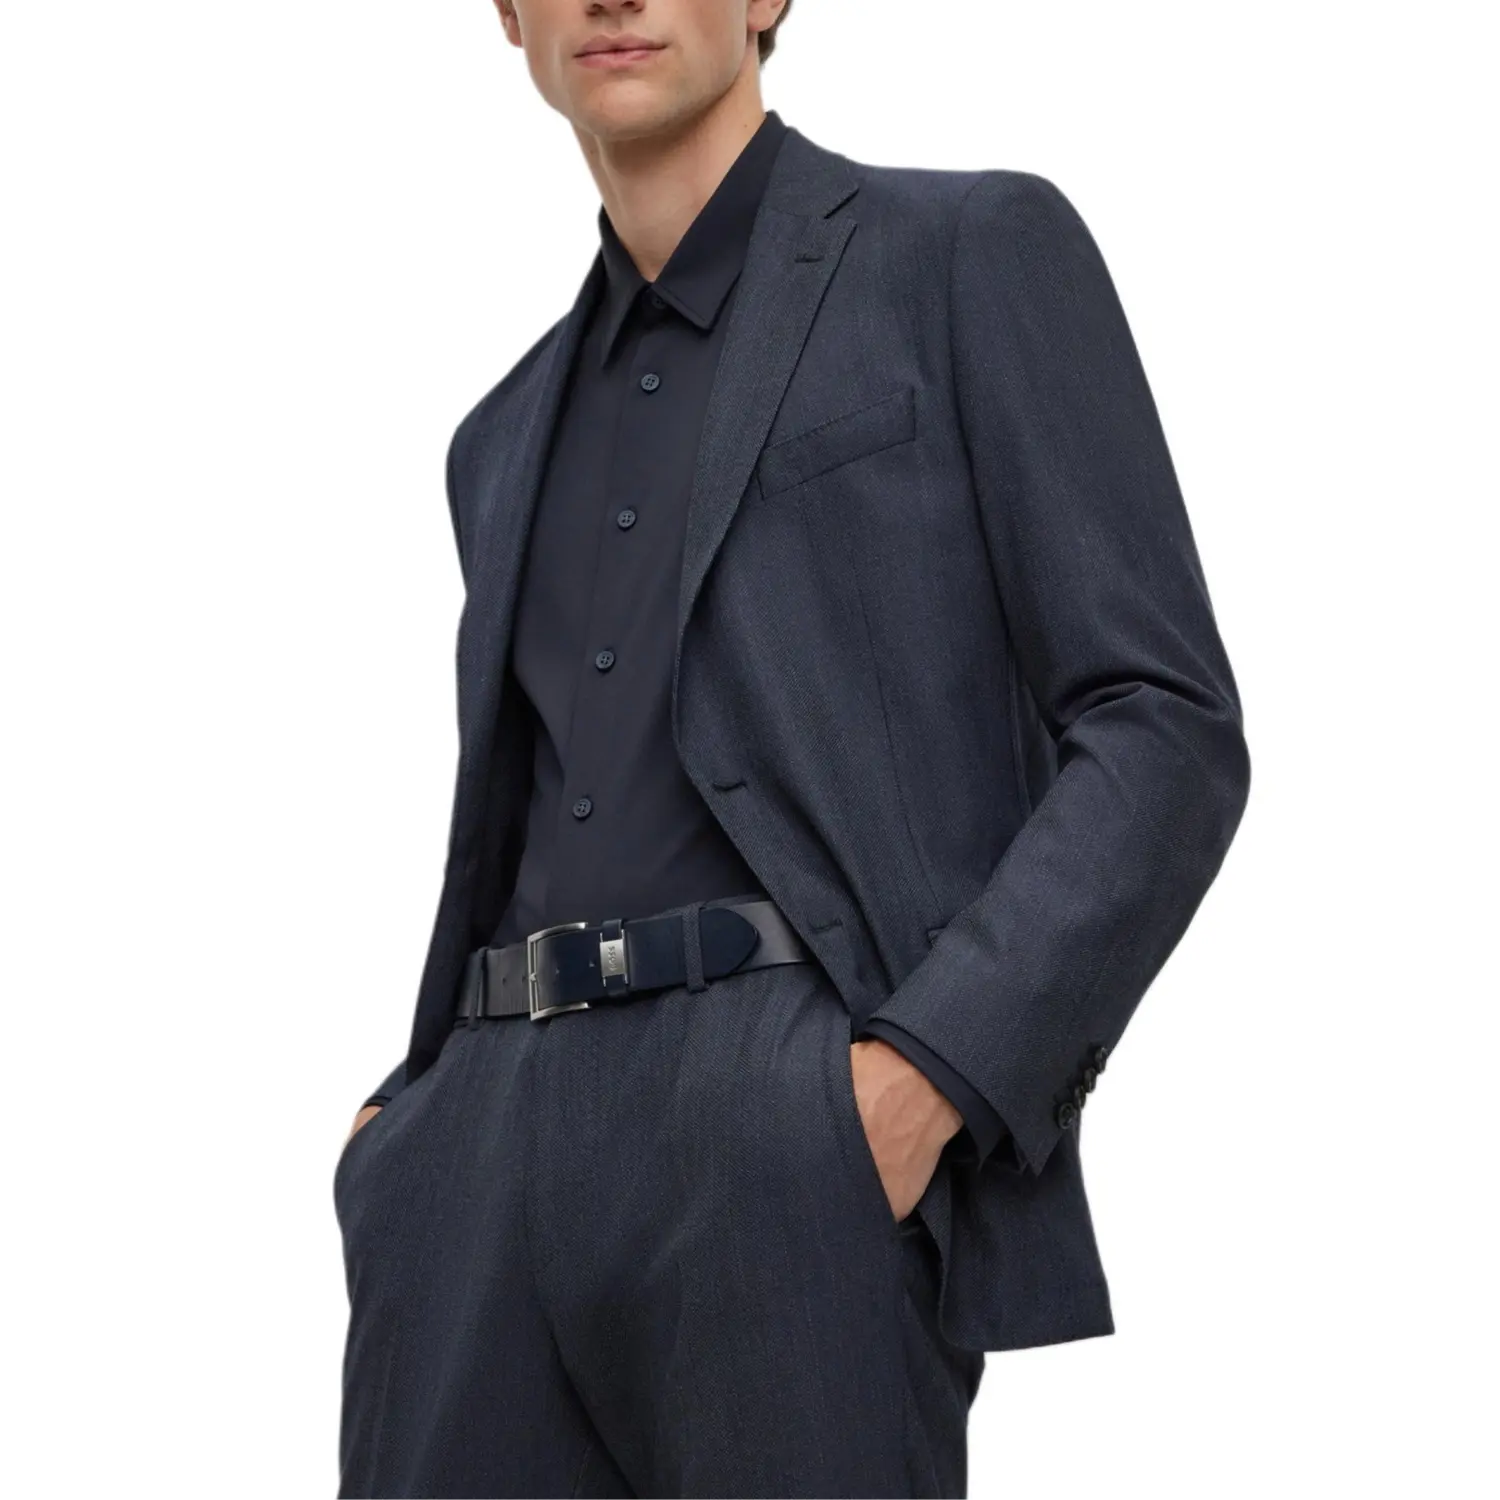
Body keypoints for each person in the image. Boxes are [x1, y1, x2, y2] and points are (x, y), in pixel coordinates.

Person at [330, 2, 1252, 1495]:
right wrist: (414, 1133)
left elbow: (1164, 724)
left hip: (779, 1132)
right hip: (476, 1176)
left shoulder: (964, 257)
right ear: (505, 14)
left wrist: (922, 1078)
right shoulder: (494, 438)